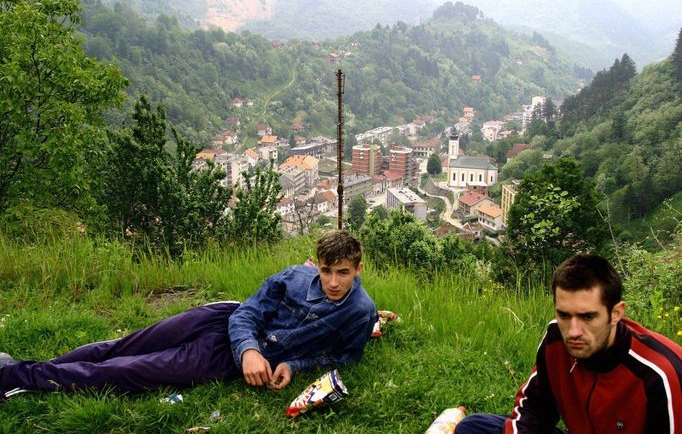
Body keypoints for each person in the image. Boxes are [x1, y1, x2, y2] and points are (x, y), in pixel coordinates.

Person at [0, 230, 378, 398]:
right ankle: (26, 372)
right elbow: (246, 312)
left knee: (128, 370)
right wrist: (249, 349)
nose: (331, 281)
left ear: (358, 269)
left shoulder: (360, 313)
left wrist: (292, 365)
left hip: (223, 358)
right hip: (221, 319)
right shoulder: (296, 275)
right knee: (121, 346)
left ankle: (14, 374)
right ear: (318, 266)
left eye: (342, 273)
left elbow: (342, 356)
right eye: (326, 271)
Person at [456, 254, 682, 434]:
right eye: (564, 315)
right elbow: (534, 411)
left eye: (588, 317)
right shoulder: (556, 340)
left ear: (616, 313)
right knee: (473, 427)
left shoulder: (659, 375)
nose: (573, 332)